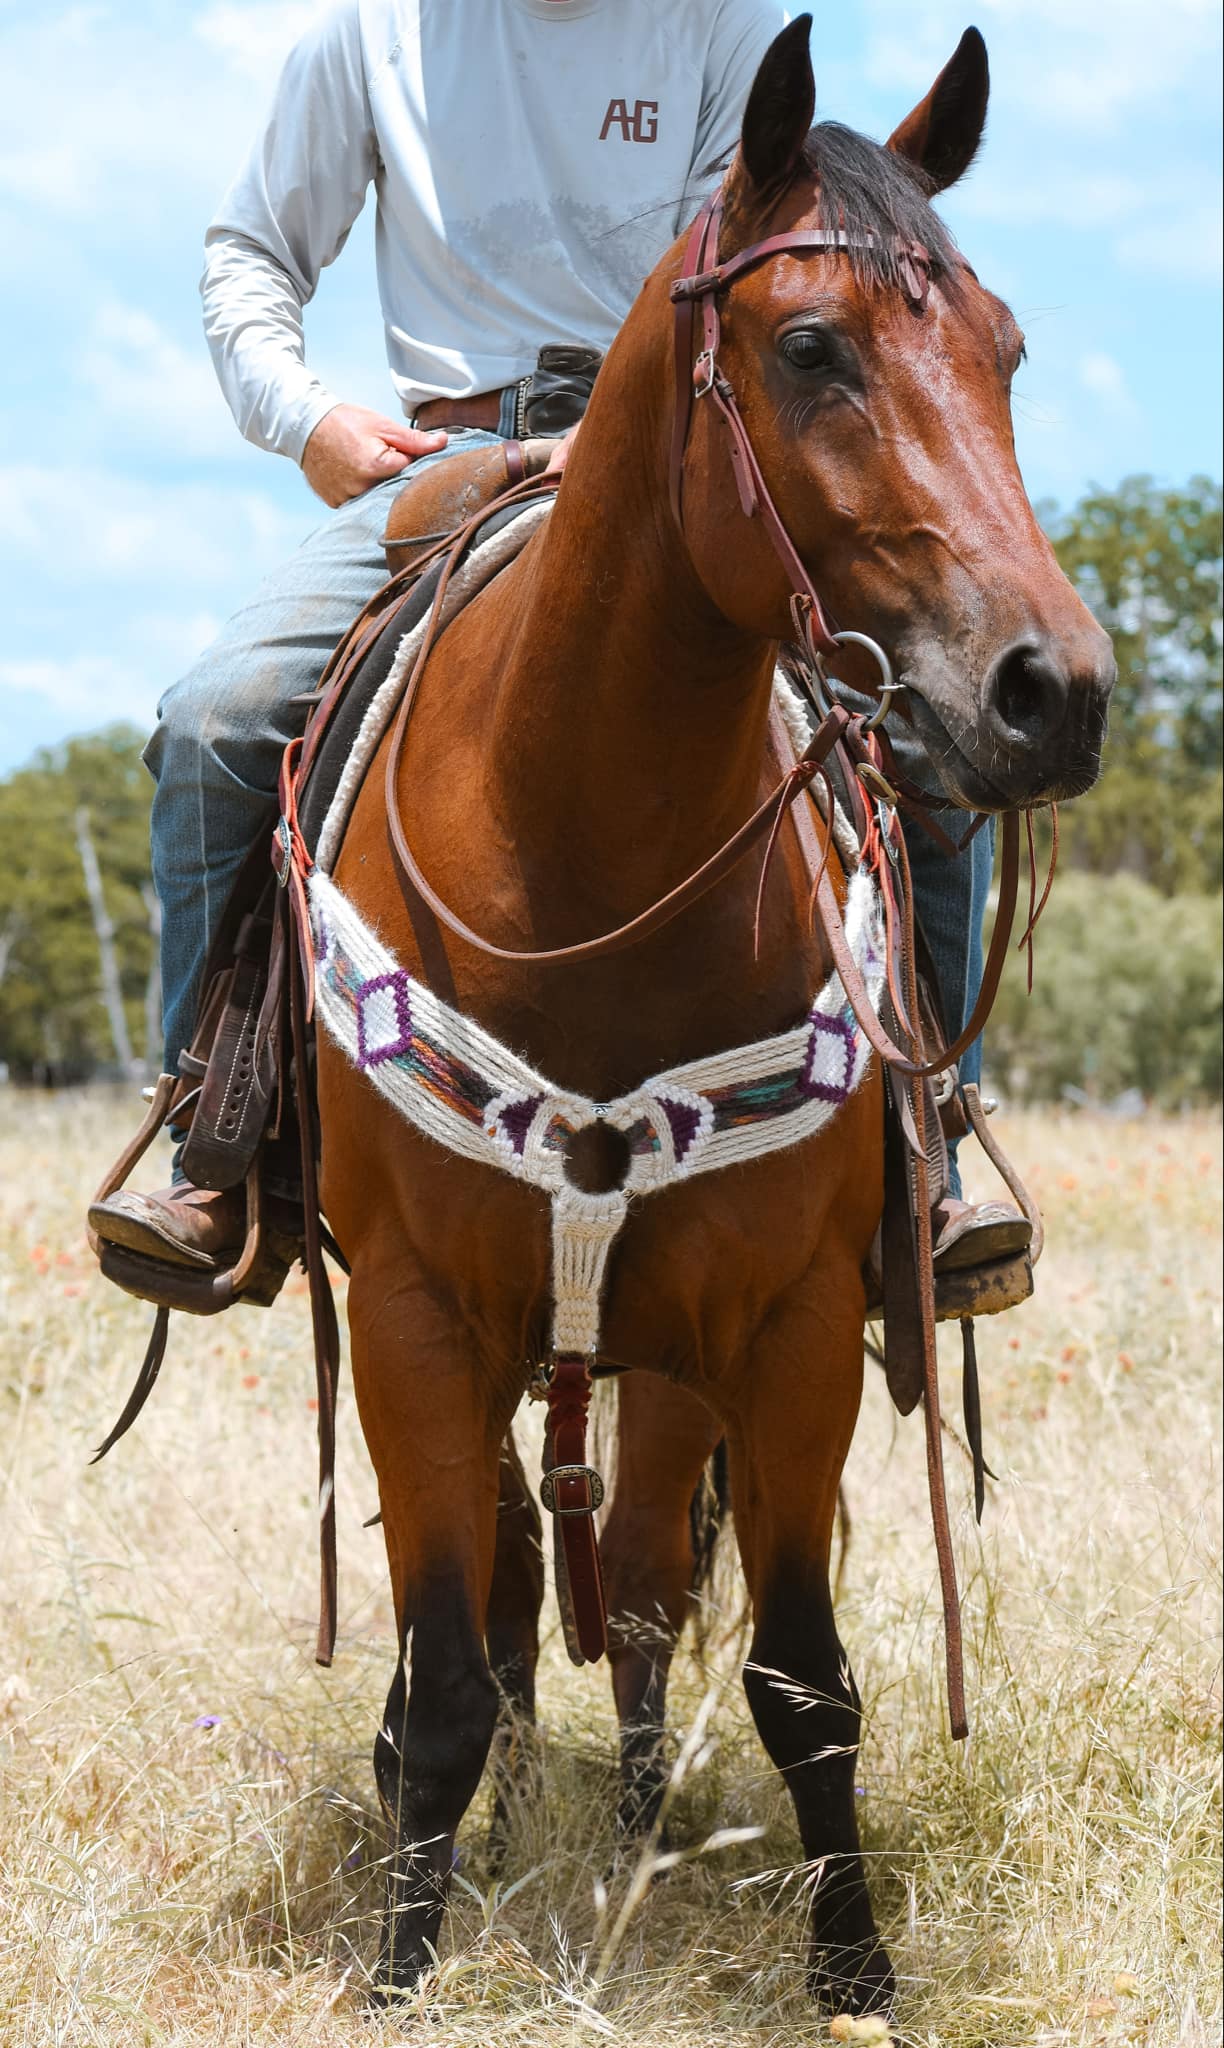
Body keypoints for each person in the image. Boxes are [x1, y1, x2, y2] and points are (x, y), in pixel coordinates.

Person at [90, 0, 1029, 1284]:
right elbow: (250, 250)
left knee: (914, 724)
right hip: (448, 460)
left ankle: (923, 1155)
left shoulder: (721, 28)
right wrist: (309, 421)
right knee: (220, 717)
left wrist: (631, 427)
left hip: (684, 451)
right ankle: (222, 1135)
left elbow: (732, 273)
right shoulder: (372, 33)